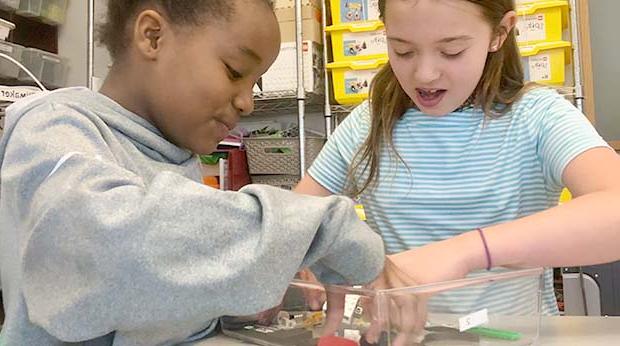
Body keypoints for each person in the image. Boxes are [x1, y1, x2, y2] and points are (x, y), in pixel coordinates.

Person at [0, 1, 386, 345]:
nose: (248, 102)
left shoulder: (174, 151)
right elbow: (98, 253)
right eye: (235, 72)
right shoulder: (53, 128)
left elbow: (157, 297)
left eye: (255, 83)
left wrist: (232, 296)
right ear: (153, 37)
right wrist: (319, 228)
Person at [296, 0, 620, 329]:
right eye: (403, 50)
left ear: (499, 33)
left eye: (451, 51)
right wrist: (313, 247)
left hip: (518, 336)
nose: (424, 74)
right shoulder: (367, 123)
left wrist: (463, 253)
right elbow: (296, 219)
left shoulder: (538, 117)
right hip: (405, 336)